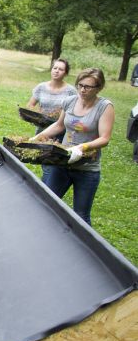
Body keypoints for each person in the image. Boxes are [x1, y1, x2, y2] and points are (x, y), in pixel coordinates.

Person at [33, 68, 114, 226]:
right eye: (80, 85)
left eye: (88, 87)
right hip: (62, 163)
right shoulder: (70, 101)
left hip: (87, 170)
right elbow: (59, 125)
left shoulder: (105, 107)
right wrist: (35, 138)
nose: (83, 90)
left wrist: (82, 148)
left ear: (99, 87)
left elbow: (105, 138)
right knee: (46, 203)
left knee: (81, 216)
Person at [27, 58, 76, 133]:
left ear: (65, 73)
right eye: (55, 68)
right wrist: (35, 117)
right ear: (51, 69)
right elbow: (30, 105)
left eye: (60, 69)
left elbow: (75, 112)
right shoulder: (41, 87)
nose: (56, 71)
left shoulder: (71, 91)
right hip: (42, 129)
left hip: (61, 131)